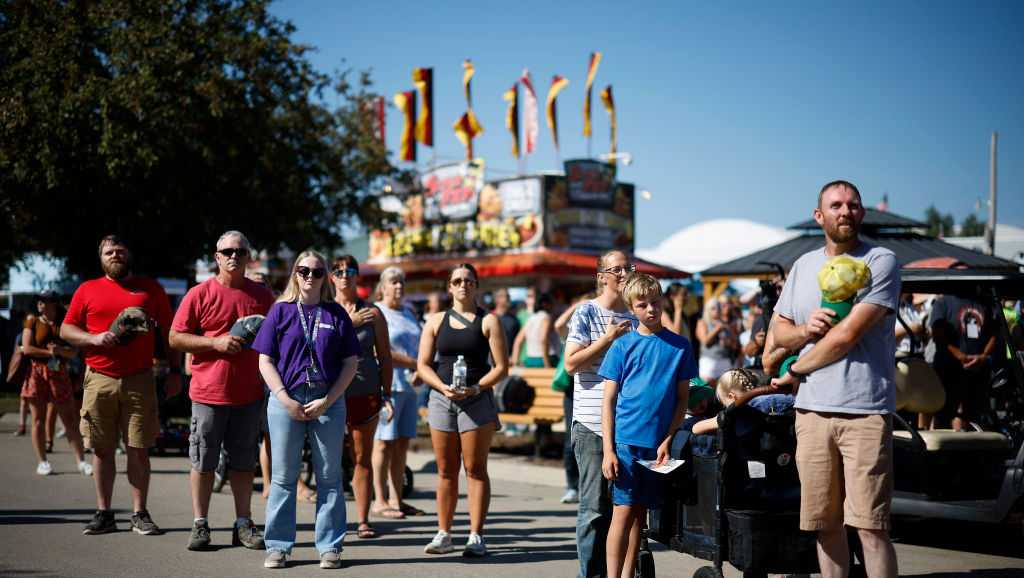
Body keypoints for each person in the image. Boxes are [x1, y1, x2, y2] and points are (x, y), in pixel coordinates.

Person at [768, 180, 900, 578]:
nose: (846, 211)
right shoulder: (804, 266)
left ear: (862, 213)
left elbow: (846, 336)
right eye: (837, 205)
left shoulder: (881, 260)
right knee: (824, 526)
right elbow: (779, 332)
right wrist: (806, 331)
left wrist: (794, 369)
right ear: (819, 215)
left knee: (870, 527)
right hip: (811, 412)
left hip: (864, 411)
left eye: (853, 205)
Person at [61, 235, 181, 536]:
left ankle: (140, 514)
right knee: (101, 450)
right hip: (98, 377)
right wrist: (93, 338)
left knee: (139, 449)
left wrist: (176, 370)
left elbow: (169, 332)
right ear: (101, 258)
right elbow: (66, 328)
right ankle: (104, 513)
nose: (115, 255)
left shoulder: (150, 289)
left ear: (129, 254)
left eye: (120, 250)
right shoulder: (87, 289)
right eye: (108, 251)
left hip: (140, 378)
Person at [252, 250, 360, 569]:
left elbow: (351, 363)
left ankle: (329, 547)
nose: (310, 277)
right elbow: (264, 360)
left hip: (327, 400)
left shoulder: (335, 313)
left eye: (316, 271)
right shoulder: (280, 311)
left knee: (329, 477)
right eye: (303, 271)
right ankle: (278, 546)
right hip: (286, 399)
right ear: (295, 275)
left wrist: (328, 400)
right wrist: (285, 398)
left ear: (325, 276)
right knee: (284, 477)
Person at [169, 231, 274, 551]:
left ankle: (243, 523)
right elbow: (175, 337)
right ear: (216, 257)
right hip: (208, 393)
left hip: (249, 394)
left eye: (240, 252)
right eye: (227, 251)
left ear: (248, 258)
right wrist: (214, 342)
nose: (233, 256)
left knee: (243, 464)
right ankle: (200, 524)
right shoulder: (199, 294)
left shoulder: (262, 296)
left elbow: (278, 338)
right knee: (203, 461)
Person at [599, 273, 697, 578]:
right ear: (632, 307)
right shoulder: (622, 346)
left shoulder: (680, 346)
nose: (651, 309)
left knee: (641, 515)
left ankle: (629, 574)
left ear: (663, 300)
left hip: (658, 446)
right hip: (626, 442)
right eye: (643, 305)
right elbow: (608, 401)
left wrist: (669, 437)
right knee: (623, 512)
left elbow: (682, 399)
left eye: (655, 302)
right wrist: (608, 450)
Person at [417, 263, 508, 557]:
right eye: (457, 280)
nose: (463, 285)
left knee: (475, 469)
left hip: (475, 399)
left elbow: (502, 368)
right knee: (446, 470)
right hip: (442, 399)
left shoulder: (488, 321)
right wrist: (441, 388)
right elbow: (422, 365)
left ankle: (475, 536)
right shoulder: (435, 320)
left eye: (468, 280)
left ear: (476, 285)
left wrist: (477, 388)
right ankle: (444, 533)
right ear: (449, 286)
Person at [563, 250, 639, 578]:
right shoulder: (586, 313)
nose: (623, 273)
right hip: (592, 426)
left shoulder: (638, 316)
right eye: (616, 269)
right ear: (601, 276)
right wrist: (608, 339)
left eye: (627, 267)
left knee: (624, 510)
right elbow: (571, 363)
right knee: (594, 510)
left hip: (629, 427)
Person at [329, 255, 393, 539]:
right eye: (339, 271)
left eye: (350, 271)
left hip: (365, 391)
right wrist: (350, 323)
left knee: (361, 457)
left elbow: (386, 357)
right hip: (328, 394)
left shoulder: (374, 313)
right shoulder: (323, 311)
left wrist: (387, 393)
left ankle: (363, 520)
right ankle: (331, 520)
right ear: (331, 277)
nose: (344, 276)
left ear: (357, 277)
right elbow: (315, 348)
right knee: (328, 459)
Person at [372, 267, 426, 519]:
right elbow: (378, 350)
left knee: (402, 443)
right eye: (393, 282)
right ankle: (379, 499)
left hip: (410, 387)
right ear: (382, 287)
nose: (399, 286)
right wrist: (416, 364)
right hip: (387, 385)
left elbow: (421, 347)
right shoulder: (376, 311)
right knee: (383, 443)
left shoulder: (408, 312)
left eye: (402, 281)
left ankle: (397, 499)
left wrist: (421, 367)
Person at [20, 291, 91, 476]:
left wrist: (59, 350)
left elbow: (74, 352)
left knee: (69, 419)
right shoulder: (32, 321)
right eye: (40, 302)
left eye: (46, 302)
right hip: (37, 372)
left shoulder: (64, 323)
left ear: (54, 304)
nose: (41, 305)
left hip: (59, 372)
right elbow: (26, 348)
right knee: (38, 419)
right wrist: (51, 353)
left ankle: (81, 461)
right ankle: (42, 461)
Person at [929, 291, 997, 431]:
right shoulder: (943, 302)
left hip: (977, 373)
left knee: (970, 416)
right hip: (947, 370)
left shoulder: (985, 303)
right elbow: (937, 332)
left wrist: (983, 356)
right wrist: (959, 356)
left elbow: (994, 333)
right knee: (943, 415)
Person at [696, 298, 739, 385]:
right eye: (713, 308)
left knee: (724, 391)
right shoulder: (702, 322)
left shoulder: (725, 324)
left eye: (719, 307)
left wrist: (728, 341)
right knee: (706, 391)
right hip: (709, 362)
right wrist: (717, 329)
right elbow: (705, 341)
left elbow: (735, 344)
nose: (717, 310)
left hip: (725, 361)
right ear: (707, 310)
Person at [511, 292, 560, 368]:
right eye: (552, 303)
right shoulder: (546, 318)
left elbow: (518, 341)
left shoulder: (530, 319)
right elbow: (543, 339)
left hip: (530, 359)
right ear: (545, 304)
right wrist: (547, 363)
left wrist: (515, 364)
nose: (553, 306)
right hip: (546, 359)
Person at [492, 287, 520, 355]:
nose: (508, 299)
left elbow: (517, 341)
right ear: (497, 299)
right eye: (505, 296)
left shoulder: (514, 319)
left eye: (509, 296)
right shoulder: (489, 317)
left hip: (510, 360)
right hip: (492, 361)